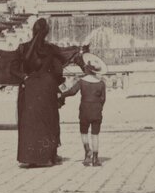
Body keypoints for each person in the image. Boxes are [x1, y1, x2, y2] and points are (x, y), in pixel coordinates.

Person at [14, 18, 64, 167]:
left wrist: (25, 77)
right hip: (47, 88)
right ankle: (47, 157)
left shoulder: (23, 48)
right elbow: (58, 71)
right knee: (49, 121)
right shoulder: (51, 49)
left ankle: (29, 157)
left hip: (29, 88)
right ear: (46, 32)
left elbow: (13, 69)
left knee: (29, 122)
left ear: (33, 31)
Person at [60, 53, 107, 166]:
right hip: (96, 110)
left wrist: (62, 95)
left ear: (87, 69)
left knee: (84, 132)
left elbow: (72, 92)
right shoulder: (101, 83)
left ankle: (87, 153)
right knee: (95, 134)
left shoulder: (82, 81)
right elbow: (103, 99)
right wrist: (99, 108)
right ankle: (95, 159)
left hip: (85, 110)